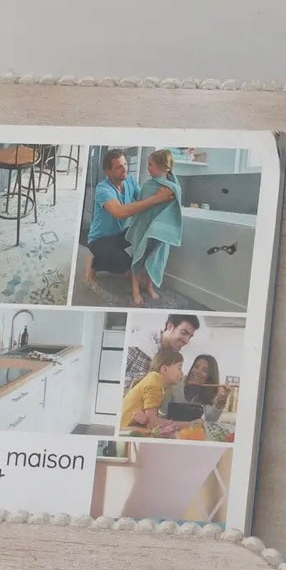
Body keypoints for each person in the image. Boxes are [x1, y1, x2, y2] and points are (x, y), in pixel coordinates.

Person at [84, 149, 174, 286]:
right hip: (99, 240)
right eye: (119, 167)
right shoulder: (103, 189)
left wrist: (163, 194)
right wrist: (156, 199)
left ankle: (127, 268)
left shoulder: (130, 181)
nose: (124, 169)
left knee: (145, 233)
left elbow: (142, 200)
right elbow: (120, 212)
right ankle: (95, 263)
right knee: (122, 264)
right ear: (108, 171)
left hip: (121, 235)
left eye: (125, 164)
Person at [125, 149, 182, 306]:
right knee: (138, 258)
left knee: (156, 258)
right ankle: (135, 289)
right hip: (144, 228)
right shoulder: (148, 186)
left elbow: (174, 212)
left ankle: (149, 286)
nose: (148, 168)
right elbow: (141, 207)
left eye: (150, 165)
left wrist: (161, 228)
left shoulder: (174, 188)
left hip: (161, 232)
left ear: (162, 167)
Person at [124, 314, 200, 391]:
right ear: (170, 327)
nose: (186, 340)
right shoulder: (138, 343)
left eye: (190, 337)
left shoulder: (175, 358)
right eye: (183, 333)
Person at [120, 349, 185, 435]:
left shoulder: (156, 382)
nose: (182, 373)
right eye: (179, 368)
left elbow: (149, 420)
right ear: (164, 369)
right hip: (124, 431)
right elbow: (153, 424)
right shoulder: (154, 381)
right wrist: (188, 425)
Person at [167, 354, 229, 423]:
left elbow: (211, 419)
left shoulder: (207, 393)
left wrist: (221, 401)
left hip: (192, 432)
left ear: (209, 377)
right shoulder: (176, 384)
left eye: (204, 370)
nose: (197, 372)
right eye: (196, 367)